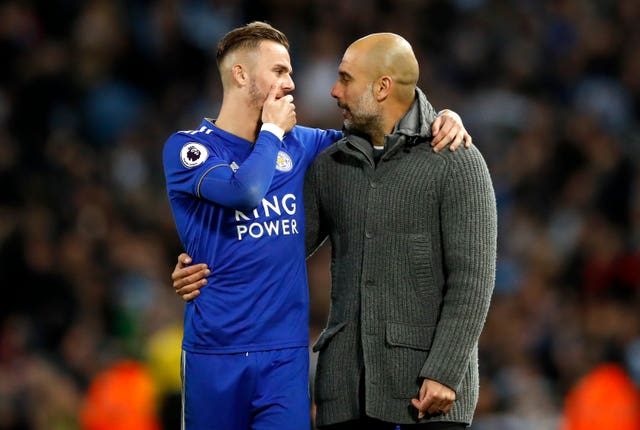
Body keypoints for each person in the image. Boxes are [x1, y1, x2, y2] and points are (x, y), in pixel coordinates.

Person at [164, 22, 471, 430]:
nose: (291, 83)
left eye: (290, 71)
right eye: (278, 71)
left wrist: (442, 116)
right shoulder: (190, 148)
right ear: (240, 75)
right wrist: (272, 131)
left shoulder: (305, 145)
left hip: (284, 358)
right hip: (214, 353)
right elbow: (245, 192)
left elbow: (385, 127)